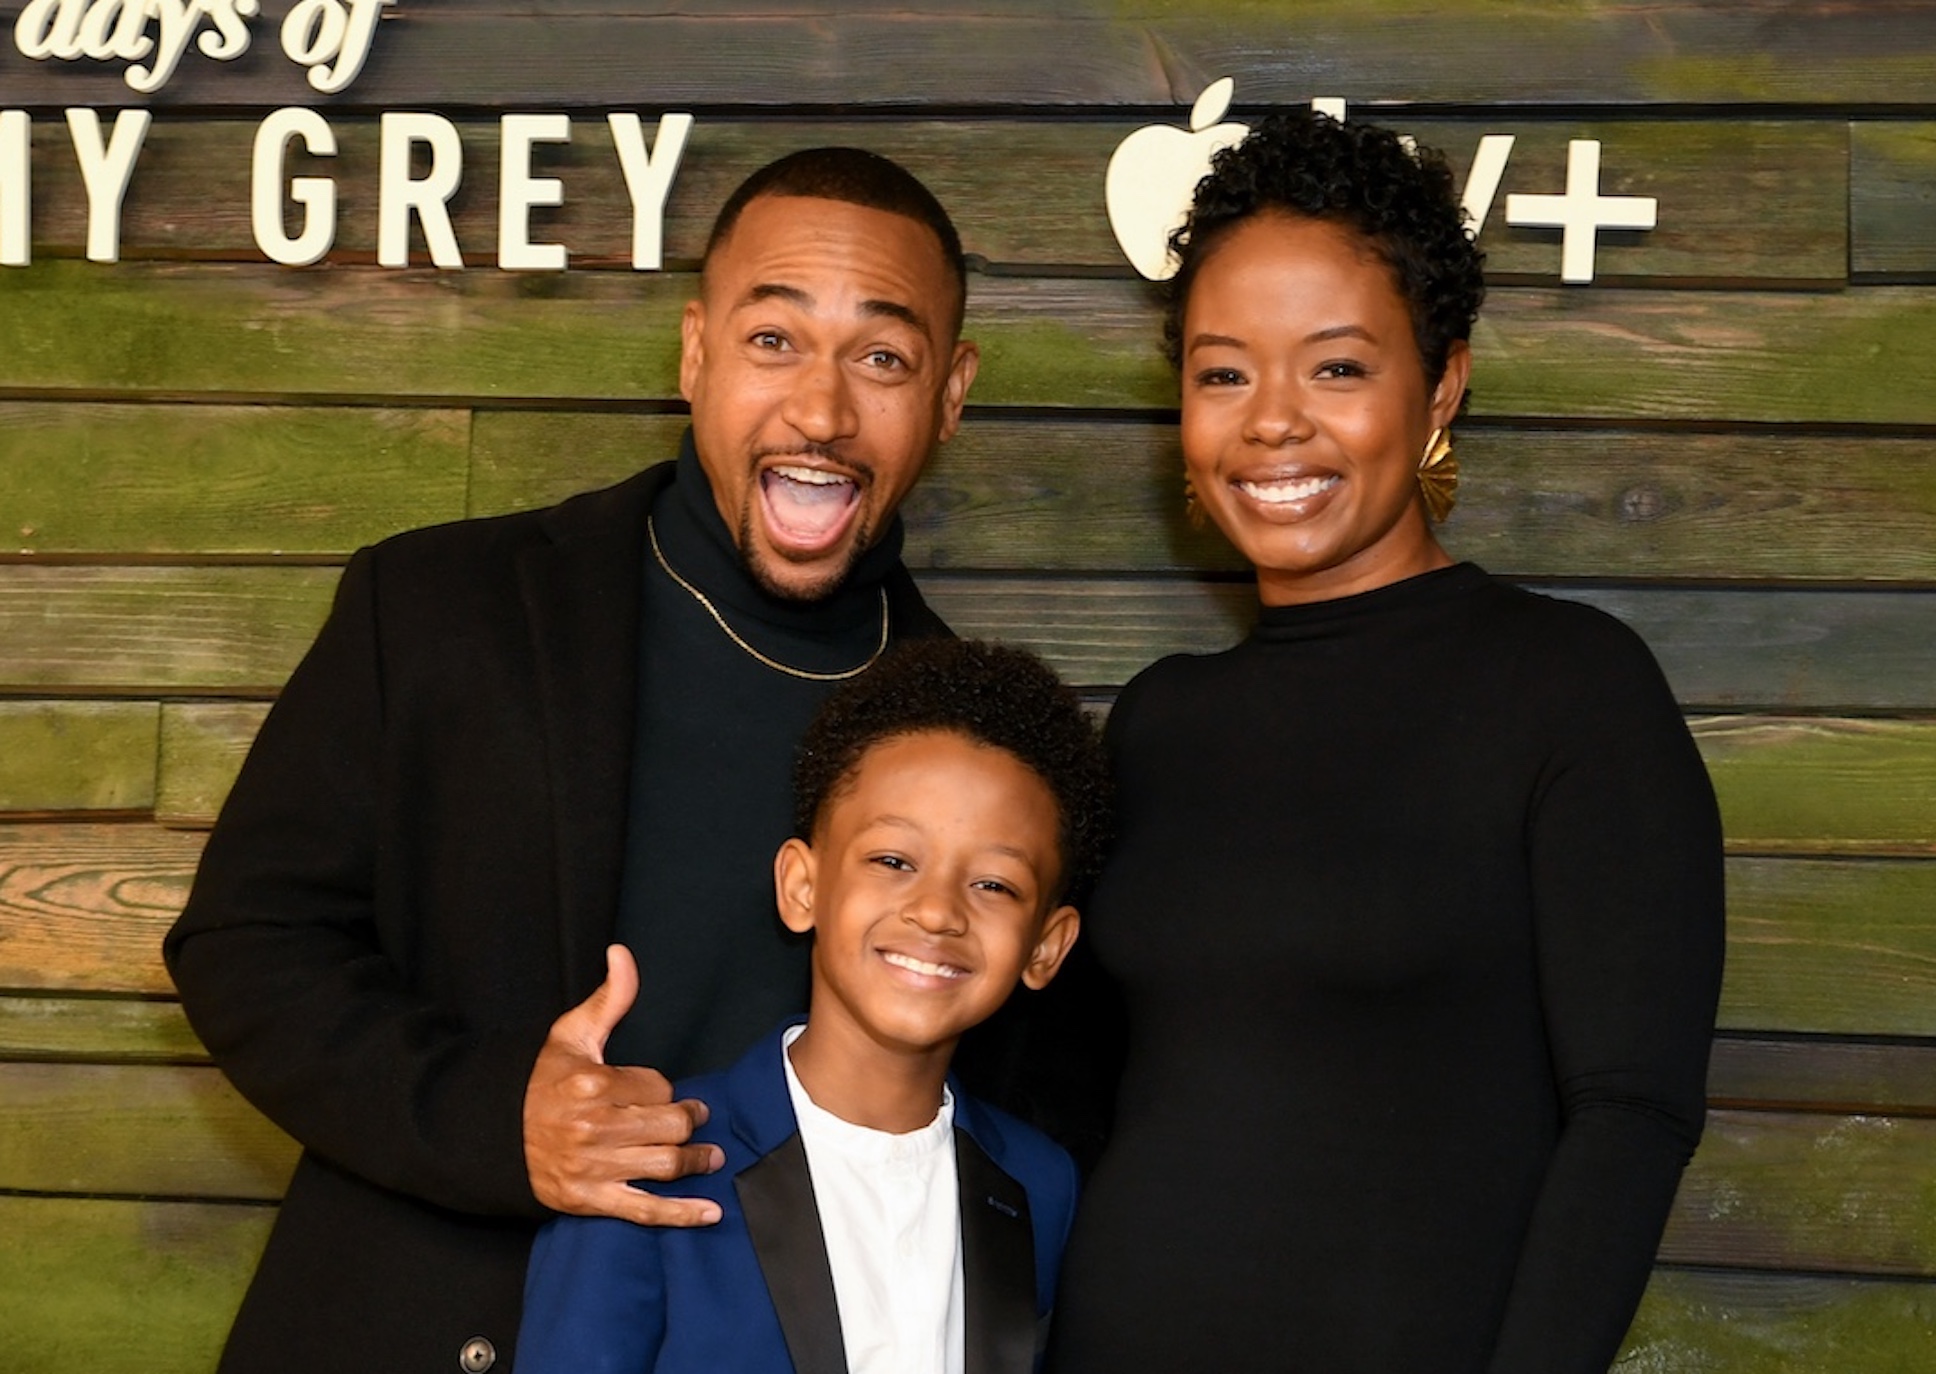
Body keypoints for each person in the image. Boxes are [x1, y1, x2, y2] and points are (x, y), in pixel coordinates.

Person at [163, 148, 987, 1374]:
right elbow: (245, 946)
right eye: (774, 341)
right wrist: (505, 1119)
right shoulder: (441, 605)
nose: (821, 410)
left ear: (952, 391)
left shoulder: (979, 749)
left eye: (883, 357)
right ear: (696, 352)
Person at [1045, 112, 1726, 1373]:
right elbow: (1081, 1104)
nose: (1272, 423)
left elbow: (1632, 1116)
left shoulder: (1570, 690)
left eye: (1338, 368)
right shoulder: (1158, 720)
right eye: (1223, 371)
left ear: (1443, 384)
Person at [517, 638, 1108, 1374]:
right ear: (802, 887)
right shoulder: (642, 1156)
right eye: (893, 861)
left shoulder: (1040, 1184)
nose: (936, 912)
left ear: (1046, 947)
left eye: (995, 884)